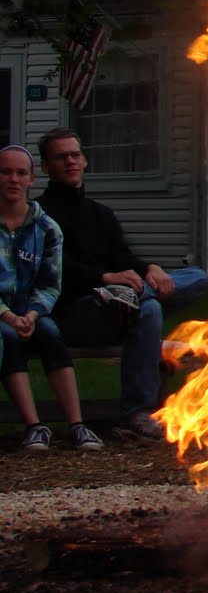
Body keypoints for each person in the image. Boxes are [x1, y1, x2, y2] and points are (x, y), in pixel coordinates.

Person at [38, 128, 208, 442]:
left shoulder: (100, 213)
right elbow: (55, 270)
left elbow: (122, 256)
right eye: (61, 157)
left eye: (75, 155)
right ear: (46, 167)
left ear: (85, 160)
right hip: (78, 311)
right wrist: (104, 280)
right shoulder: (41, 215)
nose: (70, 161)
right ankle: (137, 413)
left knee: (197, 278)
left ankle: (135, 296)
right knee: (149, 308)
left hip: (119, 302)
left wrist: (150, 269)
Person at [0, 145, 104, 451]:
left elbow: (50, 284)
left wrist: (32, 314)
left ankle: (77, 425)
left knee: (50, 332)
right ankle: (35, 426)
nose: (13, 179)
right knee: (7, 336)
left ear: (32, 179)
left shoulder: (46, 229)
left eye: (21, 173)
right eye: (6, 172)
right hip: (2, 317)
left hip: (32, 314)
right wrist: (9, 316)